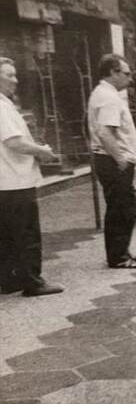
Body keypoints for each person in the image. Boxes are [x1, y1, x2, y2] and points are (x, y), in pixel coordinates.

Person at [0, 57, 64, 297]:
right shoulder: (2, 107)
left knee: (6, 234)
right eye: (10, 75)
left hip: (5, 182)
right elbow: (14, 141)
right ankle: (32, 281)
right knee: (26, 233)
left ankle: (9, 279)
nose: (15, 81)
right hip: (16, 180)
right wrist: (42, 152)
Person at [87, 54, 136, 269]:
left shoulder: (104, 94)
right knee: (121, 208)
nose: (130, 78)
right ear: (113, 72)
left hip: (109, 158)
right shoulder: (108, 97)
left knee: (121, 207)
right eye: (126, 73)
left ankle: (122, 251)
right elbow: (105, 131)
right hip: (112, 160)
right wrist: (120, 158)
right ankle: (118, 256)